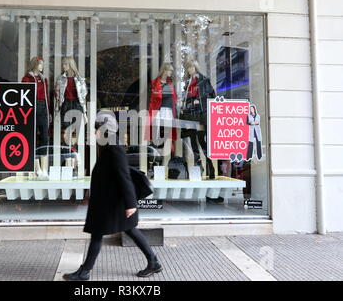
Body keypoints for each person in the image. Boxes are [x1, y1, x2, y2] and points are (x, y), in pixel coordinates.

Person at [63, 113, 162, 281]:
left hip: (114, 203)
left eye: (96, 130)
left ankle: (85, 271)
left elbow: (124, 177)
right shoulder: (109, 147)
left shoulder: (114, 148)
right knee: (126, 230)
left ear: (105, 130)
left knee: (98, 233)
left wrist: (131, 204)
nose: (94, 133)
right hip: (110, 201)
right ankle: (153, 262)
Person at [180, 60, 215, 179]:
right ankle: (199, 166)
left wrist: (199, 102)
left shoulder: (203, 80)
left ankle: (211, 167)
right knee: (193, 140)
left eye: (191, 67)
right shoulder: (187, 83)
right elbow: (186, 98)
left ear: (196, 67)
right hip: (190, 115)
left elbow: (211, 95)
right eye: (188, 68)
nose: (189, 70)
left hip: (199, 114)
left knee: (202, 141)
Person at [22, 57, 51, 152]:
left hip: (43, 108)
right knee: (32, 136)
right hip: (32, 108)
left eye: (43, 64)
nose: (42, 66)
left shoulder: (43, 79)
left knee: (45, 137)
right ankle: (34, 162)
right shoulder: (26, 79)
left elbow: (47, 96)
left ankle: (43, 161)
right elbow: (24, 96)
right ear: (35, 65)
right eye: (40, 64)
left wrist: (48, 111)